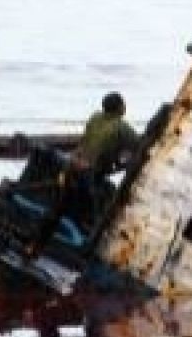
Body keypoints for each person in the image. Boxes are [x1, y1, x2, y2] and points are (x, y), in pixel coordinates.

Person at [26, 93, 140, 258]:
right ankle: (89, 255)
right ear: (120, 108)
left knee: (56, 211)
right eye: (123, 105)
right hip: (88, 175)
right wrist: (121, 163)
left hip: (71, 168)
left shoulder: (95, 117)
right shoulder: (122, 128)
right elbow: (140, 146)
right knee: (98, 217)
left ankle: (33, 245)